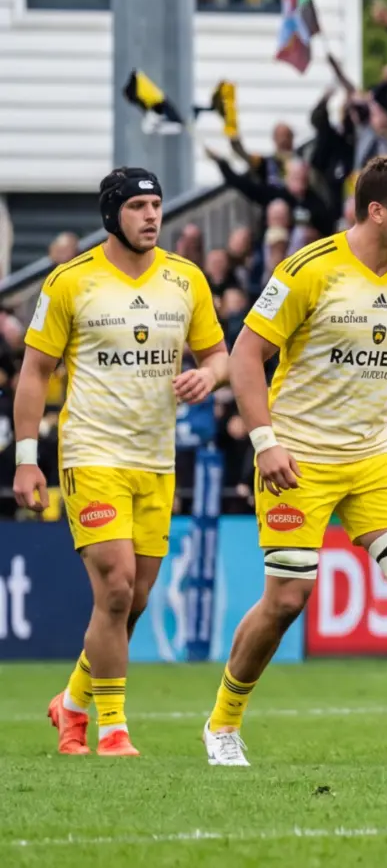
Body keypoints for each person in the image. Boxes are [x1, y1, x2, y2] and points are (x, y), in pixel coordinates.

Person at [207, 156, 387, 766]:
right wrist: (265, 442)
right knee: (287, 599)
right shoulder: (309, 269)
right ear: (376, 211)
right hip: (296, 455)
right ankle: (222, 724)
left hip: (371, 452)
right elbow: (246, 359)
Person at [13, 169, 227, 756]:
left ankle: (71, 705)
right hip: (92, 453)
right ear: (113, 214)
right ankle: (110, 730)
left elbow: (220, 353)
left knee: (131, 604)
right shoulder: (70, 281)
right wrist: (28, 460)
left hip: (156, 459)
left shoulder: (186, 280)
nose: (152, 215)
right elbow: (35, 372)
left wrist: (209, 373)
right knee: (115, 588)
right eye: (138, 205)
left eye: (157, 204)